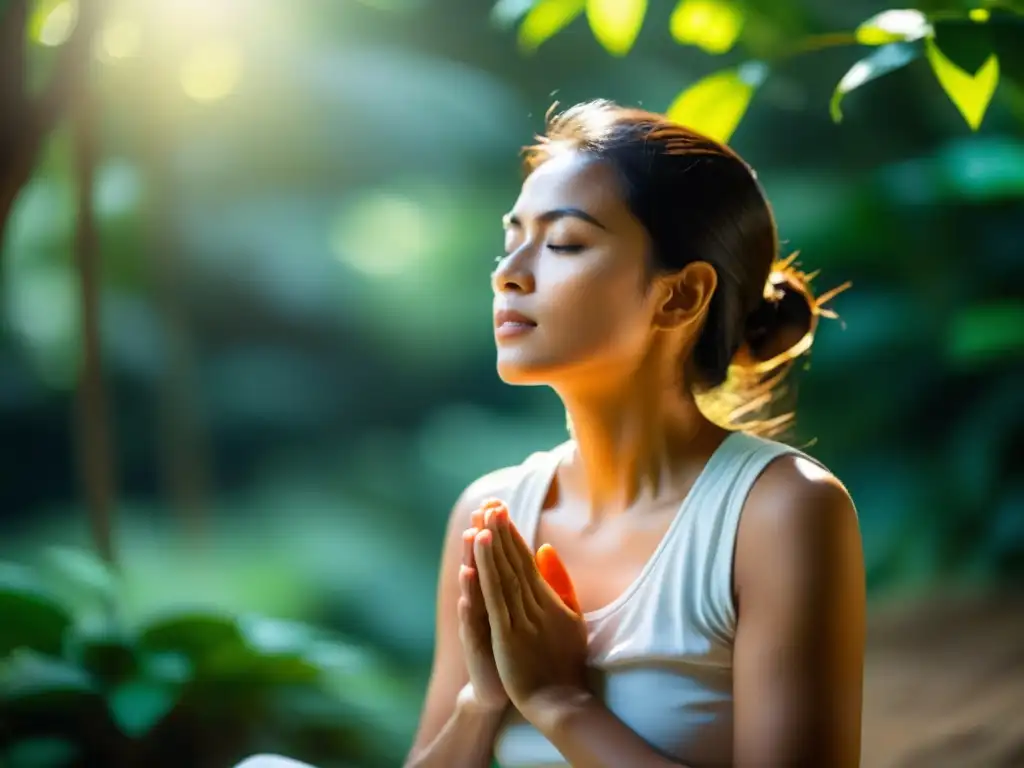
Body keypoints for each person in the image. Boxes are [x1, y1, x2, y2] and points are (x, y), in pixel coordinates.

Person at [237, 99, 865, 768]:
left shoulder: (779, 511)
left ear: (679, 296)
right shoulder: (495, 513)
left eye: (564, 243)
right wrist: (485, 697)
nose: (509, 273)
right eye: (512, 241)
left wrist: (558, 702)